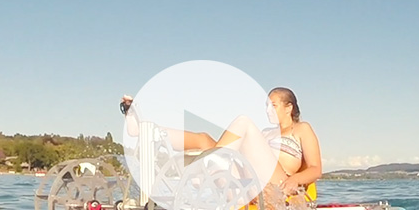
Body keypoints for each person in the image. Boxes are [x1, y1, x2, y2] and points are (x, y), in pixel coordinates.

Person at [121, 87, 322, 198]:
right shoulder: (266, 133)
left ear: (289, 108)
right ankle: (146, 131)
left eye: (273, 106)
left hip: (279, 184)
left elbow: (315, 169)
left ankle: (211, 163)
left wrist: (295, 180)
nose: (268, 110)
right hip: (252, 177)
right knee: (203, 139)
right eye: (266, 106)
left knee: (243, 122)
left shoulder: (302, 129)